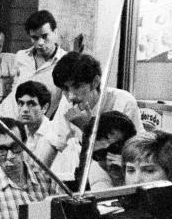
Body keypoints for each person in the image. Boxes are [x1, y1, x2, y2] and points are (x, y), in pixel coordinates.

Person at [32, 51, 142, 182]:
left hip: (123, 175)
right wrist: (35, 178)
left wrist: (87, 127)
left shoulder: (123, 101)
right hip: (87, 176)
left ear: (95, 82)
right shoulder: (68, 103)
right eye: (65, 89)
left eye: (77, 86)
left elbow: (120, 157)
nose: (71, 96)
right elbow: (53, 142)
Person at [0, 10, 66, 119]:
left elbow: (63, 104)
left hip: (36, 127)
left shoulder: (64, 62)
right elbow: (12, 88)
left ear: (55, 32)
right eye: (35, 38)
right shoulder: (21, 56)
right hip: (6, 118)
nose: (40, 43)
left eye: (45, 36)